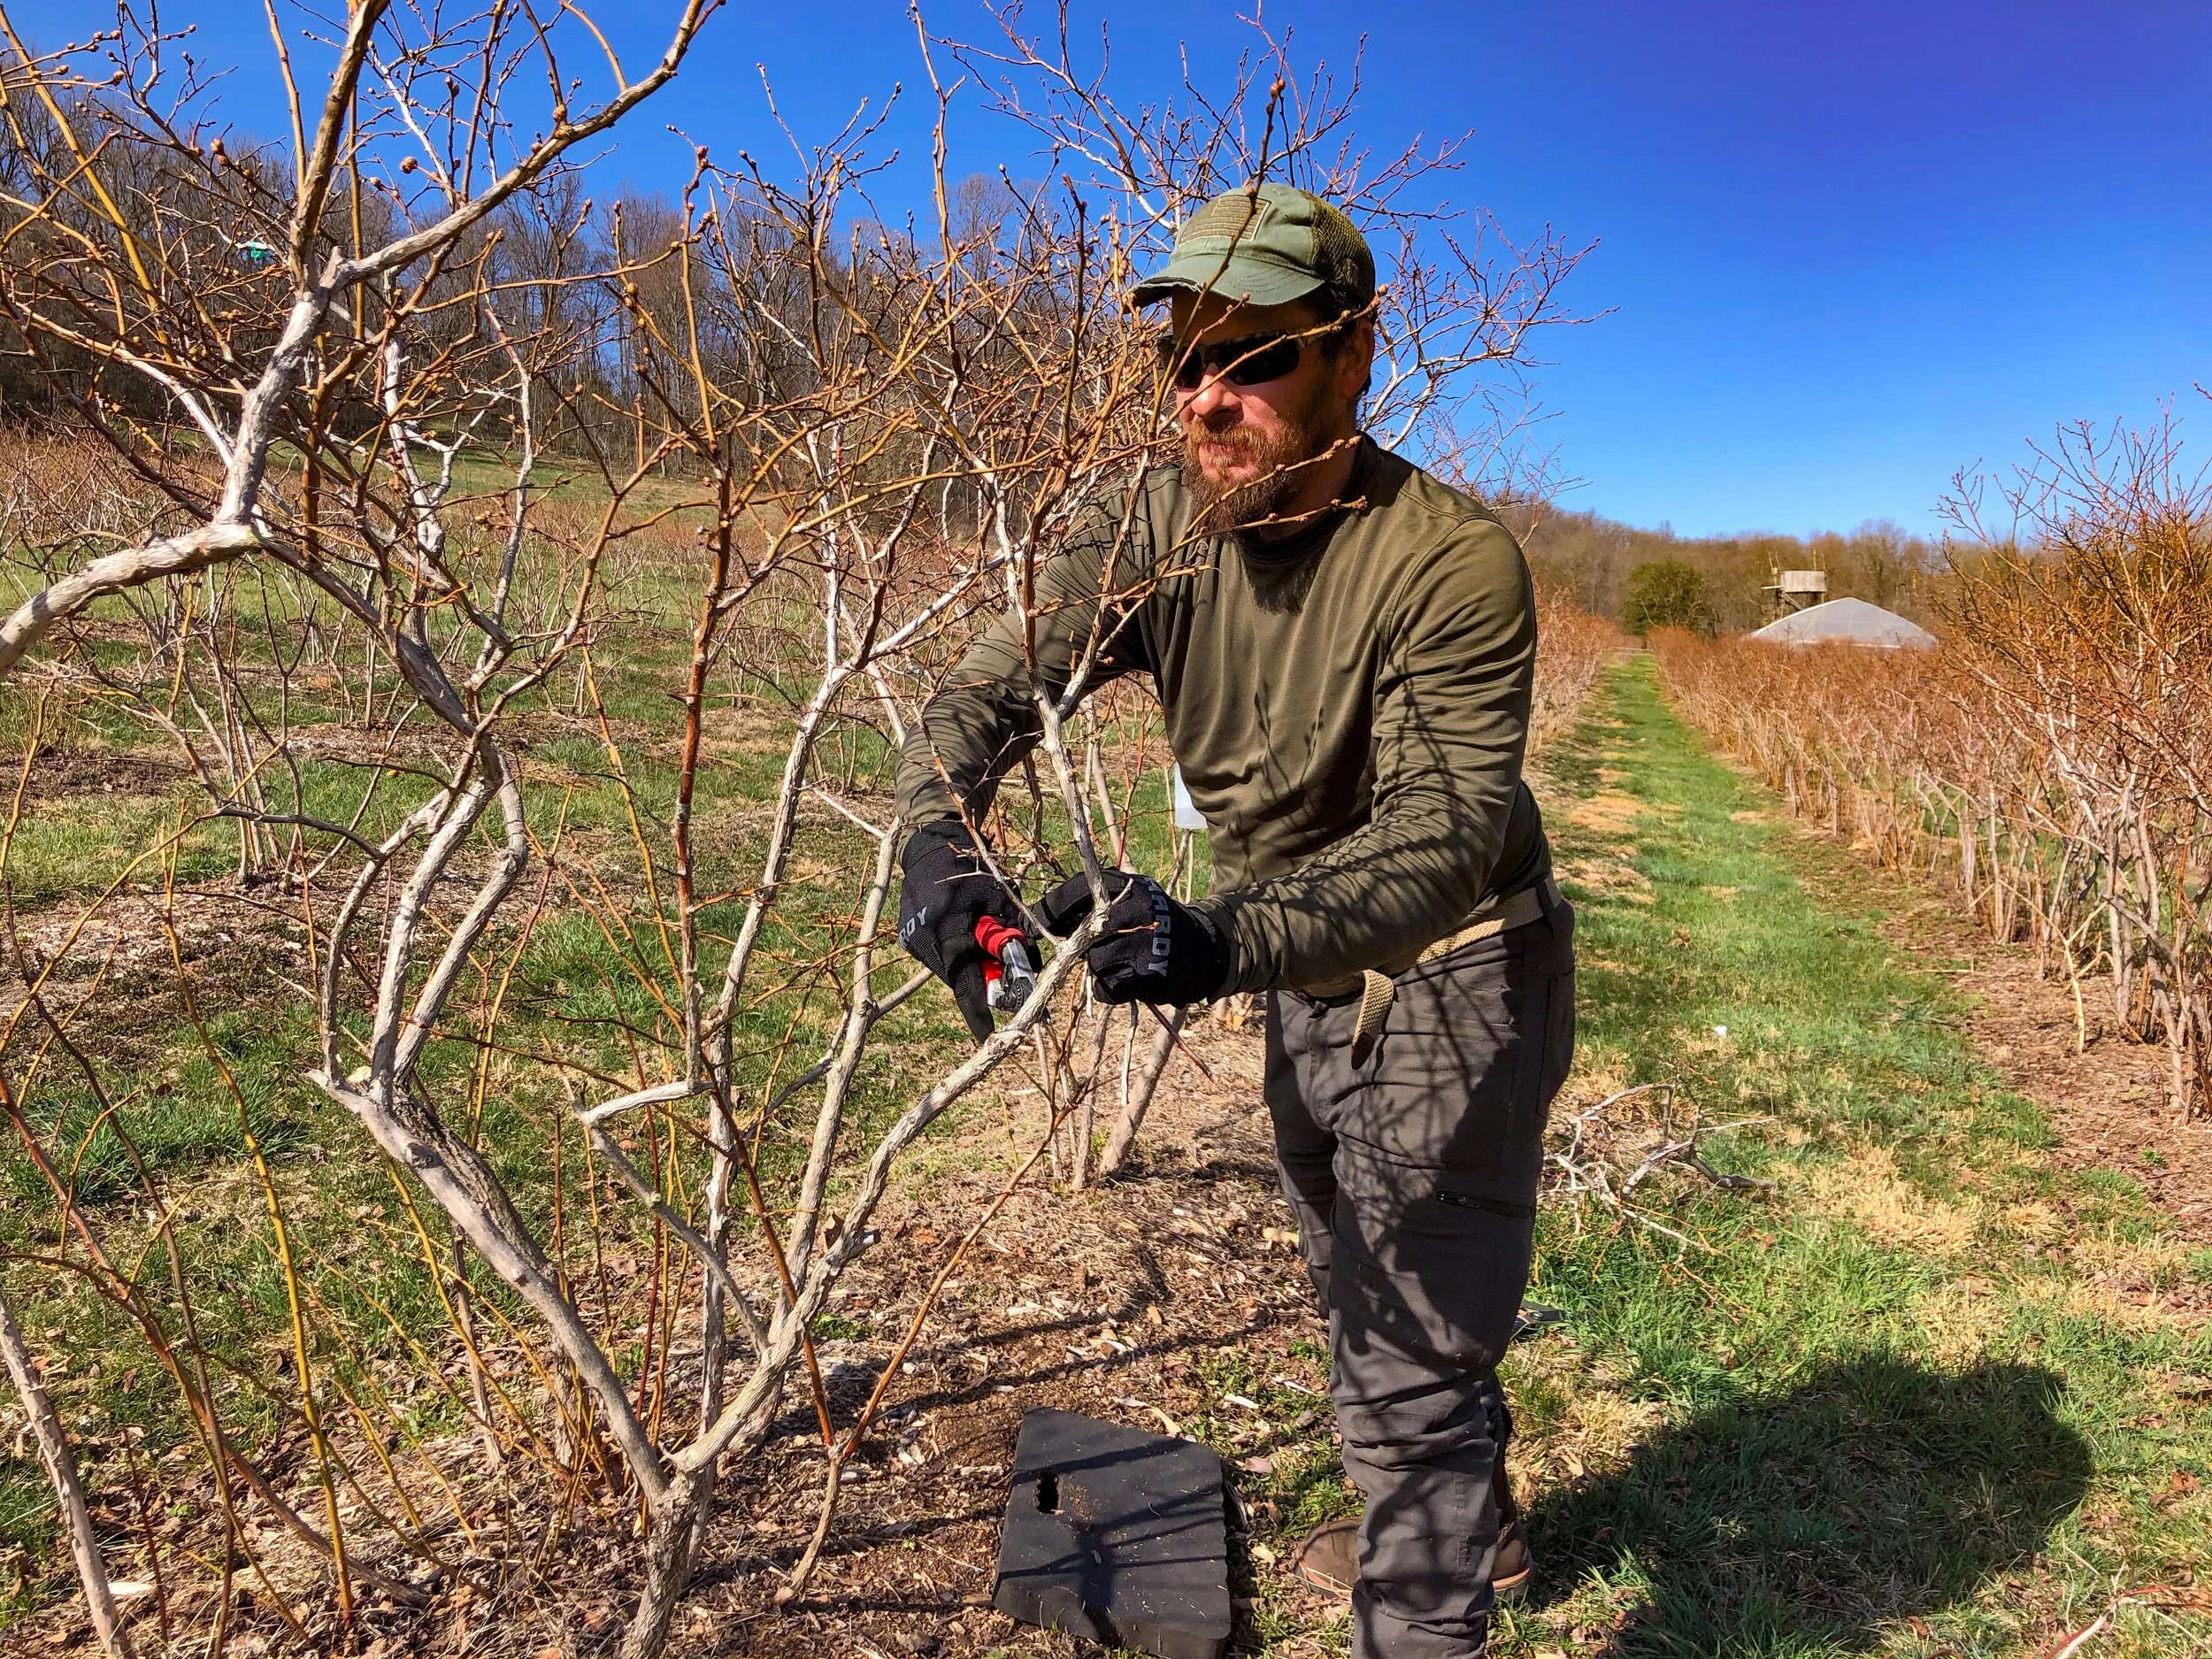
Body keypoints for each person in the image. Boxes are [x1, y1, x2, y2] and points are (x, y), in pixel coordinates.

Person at [893, 181, 1575, 1659]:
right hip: (1293, 967)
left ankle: (1426, 1605)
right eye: (1182, 361)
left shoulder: (1448, 563)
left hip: (1458, 963)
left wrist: (1213, 938)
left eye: (1256, 357)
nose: (1209, 398)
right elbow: (986, 688)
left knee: (1400, 1359)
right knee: (1357, 1272)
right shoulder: (1154, 527)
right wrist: (940, 848)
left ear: (1354, 355)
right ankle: (1484, 1518)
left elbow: (1444, 835)